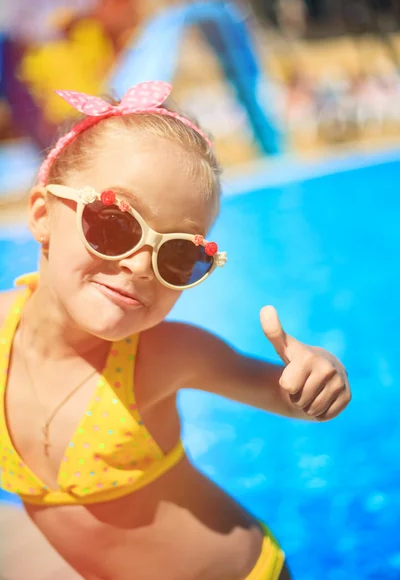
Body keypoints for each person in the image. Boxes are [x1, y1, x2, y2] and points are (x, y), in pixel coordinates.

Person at [0, 81, 351, 580]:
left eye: (180, 255)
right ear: (41, 216)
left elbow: (287, 395)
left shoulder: (164, 355)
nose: (142, 266)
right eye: (115, 223)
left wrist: (319, 378)